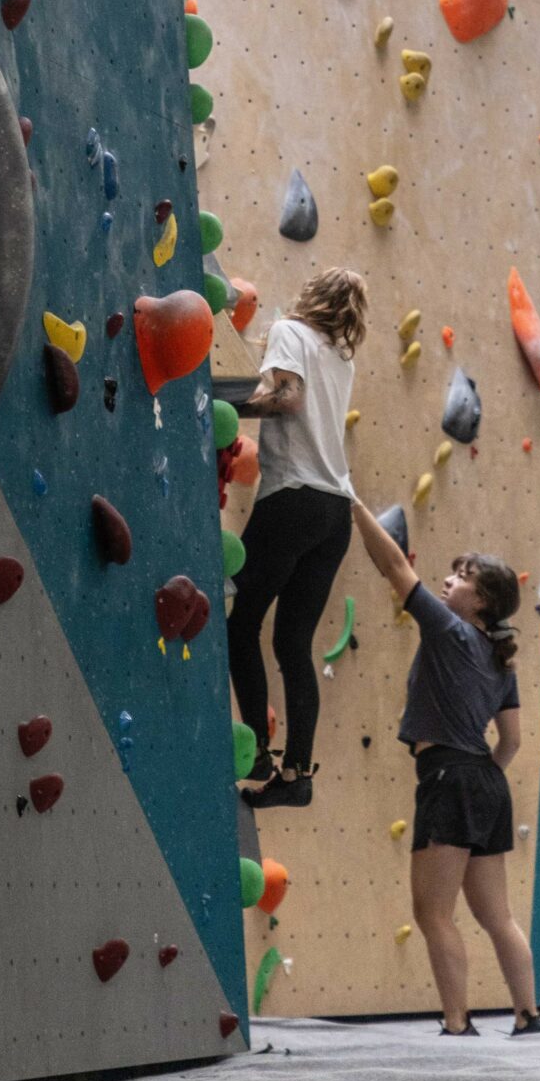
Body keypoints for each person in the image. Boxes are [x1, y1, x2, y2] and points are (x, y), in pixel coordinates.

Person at [348, 496, 540, 1037]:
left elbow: (395, 565)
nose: (446, 580)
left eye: (460, 577)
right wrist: (481, 780)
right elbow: (511, 741)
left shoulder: (450, 632)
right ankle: (527, 1015)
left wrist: (353, 504)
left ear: (480, 601)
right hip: (485, 781)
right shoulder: (499, 661)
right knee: (497, 916)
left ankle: (458, 1023)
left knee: (433, 913)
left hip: (449, 776)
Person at [229, 267, 368, 808]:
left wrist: (227, 406)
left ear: (313, 294)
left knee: (241, 624)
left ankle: (258, 756)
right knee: (292, 644)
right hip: (335, 514)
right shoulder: (341, 359)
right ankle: (297, 774)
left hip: (293, 497)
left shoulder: (291, 331)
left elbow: (287, 397)